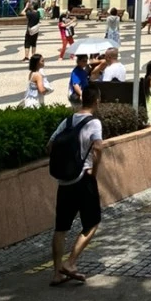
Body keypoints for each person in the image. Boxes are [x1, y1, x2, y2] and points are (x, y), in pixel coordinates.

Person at [48, 85, 104, 286]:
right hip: (83, 179)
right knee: (92, 222)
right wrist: (94, 172)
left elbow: (50, 145)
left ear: (82, 100)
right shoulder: (94, 123)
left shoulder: (68, 121)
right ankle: (70, 263)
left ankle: (57, 273)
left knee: (61, 228)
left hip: (64, 181)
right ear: (96, 101)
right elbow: (98, 148)